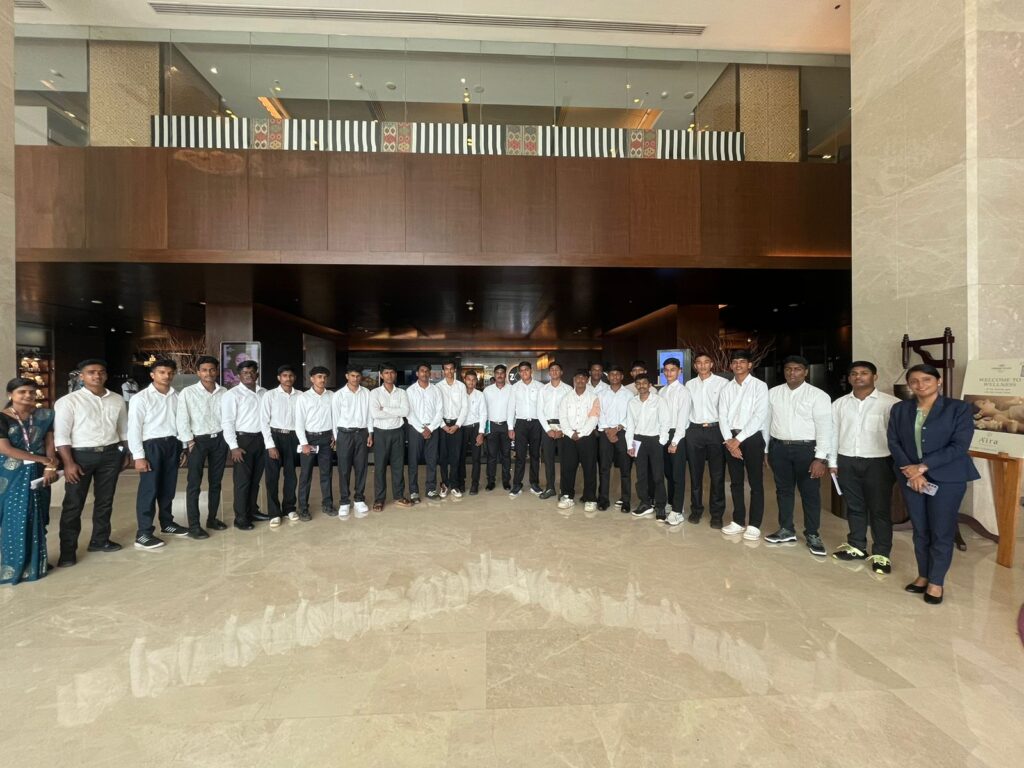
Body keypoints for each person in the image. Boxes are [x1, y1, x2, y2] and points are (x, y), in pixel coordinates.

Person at [888, 363, 979, 604]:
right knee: (920, 528)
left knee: (941, 530)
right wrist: (912, 472)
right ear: (909, 385)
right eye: (914, 381)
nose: (920, 385)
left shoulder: (958, 408)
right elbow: (894, 442)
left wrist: (922, 467)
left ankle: (936, 581)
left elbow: (959, 446)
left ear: (938, 382)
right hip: (910, 477)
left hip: (948, 478)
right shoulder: (900, 409)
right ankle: (923, 575)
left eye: (926, 379)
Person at [54, 358, 129, 566]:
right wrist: (68, 463)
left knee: (105, 501)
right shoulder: (68, 401)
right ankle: (67, 551)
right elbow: (61, 436)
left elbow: (123, 429)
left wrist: (126, 453)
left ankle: (100, 540)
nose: (97, 375)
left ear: (106, 375)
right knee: (73, 504)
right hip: (80, 456)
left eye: (101, 372)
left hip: (110, 454)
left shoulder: (117, 399)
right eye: (91, 372)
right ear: (81, 376)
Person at [829, 361, 901, 574]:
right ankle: (857, 546)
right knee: (854, 506)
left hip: (879, 462)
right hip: (847, 460)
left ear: (874, 377)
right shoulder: (839, 404)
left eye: (864, 373)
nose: (858, 377)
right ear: (849, 378)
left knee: (880, 510)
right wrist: (832, 462)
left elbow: (898, 437)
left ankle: (881, 554)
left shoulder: (891, 403)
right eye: (854, 373)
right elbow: (833, 433)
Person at [763, 355, 833, 556]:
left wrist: (820, 458)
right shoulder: (773, 393)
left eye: (797, 369)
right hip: (779, 448)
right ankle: (786, 529)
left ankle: (812, 534)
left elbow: (825, 428)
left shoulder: (818, 396)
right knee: (783, 491)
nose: (792, 373)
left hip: (807, 450)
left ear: (805, 372)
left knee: (810, 493)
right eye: (788, 369)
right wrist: (766, 450)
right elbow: (766, 422)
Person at [0, 378, 59, 584]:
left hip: (39, 472)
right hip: (11, 474)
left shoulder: (45, 416)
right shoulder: (2, 418)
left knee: (39, 515)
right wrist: (43, 460)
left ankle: (36, 562)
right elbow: (6, 449)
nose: (28, 396)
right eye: (22, 392)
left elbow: (49, 443)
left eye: (32, 392)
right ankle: (14, 566)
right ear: (10, 395)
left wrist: (50, 465)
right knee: (15, 518)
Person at [128, 359, 186, 550]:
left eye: (170, 372)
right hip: (151, 446)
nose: (166, 376)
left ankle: (167, 523)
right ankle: (143, 533)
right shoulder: (141, 398)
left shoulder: (177, 396)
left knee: (168, 488)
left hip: (172, 444)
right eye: (162, 372)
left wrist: (183, 446)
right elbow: (134, 428)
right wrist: (138, 456)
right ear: (152, 374)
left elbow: (181, 423)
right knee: (149, 489)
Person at [718, 350, 769, 541]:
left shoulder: (759, 386)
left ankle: (754, 524)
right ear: (731, 366)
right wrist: (729, 441)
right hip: (730, 438)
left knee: (755, 483)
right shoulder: (726, 388)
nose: (738, 365)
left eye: (742, 361)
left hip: (752, 438)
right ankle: (738, 521)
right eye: (735, 362)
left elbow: (759, 416)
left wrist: (738, 440)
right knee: (735, 482)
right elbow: (722, 416)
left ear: (749, 365)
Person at [176, 355, 228, 538]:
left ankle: (212, 519)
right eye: (204, 370)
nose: (208, 373)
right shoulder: (187, 392)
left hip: (219, 440)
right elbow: (182, 419)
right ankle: (194, 525)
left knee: (216, 482)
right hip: (197, 442)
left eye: (212, 369)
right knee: (194, 484)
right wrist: (189, 442)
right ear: (198, 372)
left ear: (217, 371)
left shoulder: (224, 392)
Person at [222, 360, 267, 530]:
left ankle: (253, 511)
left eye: (251, 372)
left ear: (257, 374)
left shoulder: (264, 393)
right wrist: (233, 447)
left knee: (255, 480)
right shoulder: (232, 395)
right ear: (239, 376)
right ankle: (240, 518)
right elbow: (227, 422)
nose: (248, 375)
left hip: (261, 440)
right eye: (245, 373)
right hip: (243, 441)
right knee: (242, 482)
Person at [684, 353, 728, 528]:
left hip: (715, 430)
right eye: (699, 363)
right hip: (694, 431)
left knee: (717, 475)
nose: (702, 366)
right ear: (695, 366)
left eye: (706, 362)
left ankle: (716, 514)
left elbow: (726, 410)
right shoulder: (689, 385)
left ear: (712, 364)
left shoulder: (722, 383)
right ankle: (696, 509)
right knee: (695, 474)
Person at [261, 365, 301, 526]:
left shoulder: (301, 396)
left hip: (293, 437)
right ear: (279, 378)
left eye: (291, 375)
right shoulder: (270, 395)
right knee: (272, 477)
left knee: (291, 475)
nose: (288, 378)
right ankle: (274, 512)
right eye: (284, 375)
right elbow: (264, 421)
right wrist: (270, 445)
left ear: (294, 378)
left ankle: (289, 508)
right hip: (275, 436)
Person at [626, 374, 670, 520]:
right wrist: (630, 444)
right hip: (638, 440)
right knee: (641, 475)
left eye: (644, 383)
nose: (641, 386)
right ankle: (645, 503)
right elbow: (630, 425)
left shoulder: (659, 401)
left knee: (657, 475)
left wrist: (661, 442)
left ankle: (660, 505)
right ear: (635, 386)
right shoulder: (632, 402)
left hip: (655, 440)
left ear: (650, 385)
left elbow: (665, 422)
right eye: (638, 384)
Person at [557, 370, 601, 514]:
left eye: (583, 378)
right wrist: (571, 433)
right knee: (567, 468)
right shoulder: (566, 398)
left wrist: (581, 433)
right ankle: (567, 496)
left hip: (587, 437)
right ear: (574, 379)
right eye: (578, 378)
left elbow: (594, 418)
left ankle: (590, 498)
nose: (580, 380)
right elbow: (562, 417)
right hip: (569, 437)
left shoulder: (593, 397)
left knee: (589, 468)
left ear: (587, 380)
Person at [333, 363, 373, 519]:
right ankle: (344, 501)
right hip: (344, 434)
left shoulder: (366, 393)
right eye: (352, 376)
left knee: (361, 467)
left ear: (360, 377)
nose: (355, 379)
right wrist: (336, 438)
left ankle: (359, 499)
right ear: (347, 376)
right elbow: (334, 418)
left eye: (357, 376)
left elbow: (369, 415)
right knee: (344, 469)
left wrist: (370, 433)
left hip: (362, 434)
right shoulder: (339, 395)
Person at [370, 363, 413, 511]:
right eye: (386, 373)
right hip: (381, 433)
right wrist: (395, 411)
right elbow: (375, 414)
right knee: (380, 467)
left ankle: (399, 496)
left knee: (398, 466)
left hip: (397, 432)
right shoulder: (375, 393)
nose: (389, 375)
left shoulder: (401, 393)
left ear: (395, 374)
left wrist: (385, 408)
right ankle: (379, 499)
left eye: (392, 372)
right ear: (381, 375)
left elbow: (405, 412)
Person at [296, 366, 336, 521]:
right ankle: (303, 508)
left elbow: (335, 417)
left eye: (324, 377)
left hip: (326, 440)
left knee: (326, 473)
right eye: (319, 376)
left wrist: (334, 436)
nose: (322, 380)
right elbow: (299, 422)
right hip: (309, 439)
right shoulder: (304, 397)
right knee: (305, 475)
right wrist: (304, 443)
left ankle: (327, 505)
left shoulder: (331, 396)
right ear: (312, 379)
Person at [660, 357, 692, 526]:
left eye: (672, 370)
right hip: (664, 434)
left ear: (679, 371)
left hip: (677, 435)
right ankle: (672, 503)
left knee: (678, 474)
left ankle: (678, 511)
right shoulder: (662, 391)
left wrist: (675, 442)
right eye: (666, 370)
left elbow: (682, 419)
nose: (669, 373)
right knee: (669, 472)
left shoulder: (683, 392)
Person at [597, 365, 633, 513]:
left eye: (617, 374)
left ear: (622, 377)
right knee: (604, 468)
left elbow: (631, 414)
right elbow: (599, 413)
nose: (614, 377)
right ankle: (603, 499)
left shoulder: (629, 394)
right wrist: (608, 430)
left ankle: (626, 501)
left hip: (622, 433)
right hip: (605, 433)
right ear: (608, 377)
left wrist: (617, 429)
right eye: (612, 374)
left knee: (625, 468)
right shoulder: (601, 394)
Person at [406, 363, 443, 502]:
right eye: (422, 371)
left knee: (432, 460)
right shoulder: (410, 391)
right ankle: (414, 492)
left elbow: (440, 411)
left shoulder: (436, 390)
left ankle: (431, 489)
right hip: (416, 430)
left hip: (433, 429)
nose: (425, 373)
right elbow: (409, 413)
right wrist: (422, 429)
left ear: (430, 373)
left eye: (427, 371)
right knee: (413, 461)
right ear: (417, 373)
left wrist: (430, 428)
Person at [508, 361, 545, 497]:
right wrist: (510, 427)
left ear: (531, 371)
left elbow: (543, 407)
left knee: (535, 455)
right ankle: (517, 485)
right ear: (519, 372)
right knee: (520, 455)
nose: (524, 372)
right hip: (521, 424)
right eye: (522, 370)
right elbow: (511, 408)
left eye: (526, 370)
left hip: (536, 423)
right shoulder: (514, 388)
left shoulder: (540, 387)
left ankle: (534, 484)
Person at [436, 360, 469, 498]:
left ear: (454, 370)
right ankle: (444, 484)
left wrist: (457, 425)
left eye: (451, 369)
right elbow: (436, 409)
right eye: (446, 369)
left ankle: (454, 485)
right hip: (442, 424)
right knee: (443, 457)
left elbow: (465, 407)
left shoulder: (461, 386)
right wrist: (443, 425)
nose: (449, 371)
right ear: (443, 370)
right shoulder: (438, 387)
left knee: (456, 457)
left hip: (457, 425)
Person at [539, 362, 571, 500]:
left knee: (565, 460)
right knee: (548, 460)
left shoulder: (568, 389)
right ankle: (550, 487)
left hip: (563, 428)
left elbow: (570, 411)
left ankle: (564, 489)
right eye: (551, 369)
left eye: (557, 369)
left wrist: (562, 430)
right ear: (549, 373)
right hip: (547, 428)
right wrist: (548, 430)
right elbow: (539, 411)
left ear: (561, 372)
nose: (554, 371)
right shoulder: (543, 389)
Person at [483, 364, 512, 491]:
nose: (500, 375)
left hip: (506, 425)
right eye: (497, 373)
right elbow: (483, 410)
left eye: (502, 373)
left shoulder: (511, 389)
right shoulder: (487, 390)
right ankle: (491, 481)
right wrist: (484, 429)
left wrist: (512, 427)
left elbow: (513, 409)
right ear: (494, 375)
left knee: (506, 455)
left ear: (505, 375)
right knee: (491, 455)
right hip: (492, 426)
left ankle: (506, 481)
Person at [459, 370, 487, 496]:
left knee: (476, 458)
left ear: (476, 381)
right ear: (464, 380)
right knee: (461, 457)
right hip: (461, 428)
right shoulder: (459, 394)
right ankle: (461, 482)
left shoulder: (480, 395)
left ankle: (475, 484)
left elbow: (483, 414)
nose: (471, 382)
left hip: (475, 428)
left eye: (473, 379)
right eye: (469, 379)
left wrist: (481, 433)